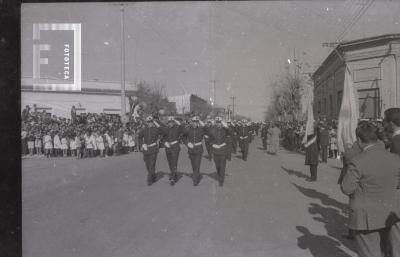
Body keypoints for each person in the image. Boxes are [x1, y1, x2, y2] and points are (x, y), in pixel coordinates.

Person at [341, 121, 400, 257]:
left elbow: (347, 188)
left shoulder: (357, 161)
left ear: (360, 140)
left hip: (366, 218)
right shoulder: (395, 159)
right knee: (389, 252)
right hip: (390, 214)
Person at [207, 117, 233, 187]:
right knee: (217, 166)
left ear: (221, 123)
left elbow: (232, 133)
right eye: (217, 122)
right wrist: (213, 144)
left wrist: (226, 126)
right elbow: (209, 139)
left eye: (220, 122)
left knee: (222, 166)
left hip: (223, 150)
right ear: (215, 122)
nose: (218, 124)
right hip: (215, 150)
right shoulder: (213, 130)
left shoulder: (225, 129)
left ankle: (221, 181)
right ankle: (219, 174)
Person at [138, 115, 162, 186]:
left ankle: (149, 179)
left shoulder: (156, 129)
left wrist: (157, 123)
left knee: (151, 164)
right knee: (147, 164)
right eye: (148, 122)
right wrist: (142, 144)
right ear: (146, 122)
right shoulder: (144, 130)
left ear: (153, 122)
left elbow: (163, 131)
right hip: (146, 149)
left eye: (151, 122)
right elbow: (139, 137)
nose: (150, 123)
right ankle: (153, 174)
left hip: (153, 149)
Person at [183, 116, 206, 186]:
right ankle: (196, 174)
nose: (195, 123)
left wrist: (201, 121)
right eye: (194, 122)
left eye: (196, 122)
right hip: (191, 149)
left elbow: (207, 129)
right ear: (192, 122)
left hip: (199, 149)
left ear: (198, 122)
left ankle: (195, 180)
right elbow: (183, 137)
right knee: (193, 165)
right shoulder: (188, 129)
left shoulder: (201, 129)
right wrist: (187, 143)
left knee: (197, 164)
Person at [161, 116, 183, 185]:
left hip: (175, 147)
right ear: (167, 123)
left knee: (174, 162)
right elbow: (162, 137)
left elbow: (183, 129)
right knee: (170, 163)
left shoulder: (177, 129)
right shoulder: (165, 129)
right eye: (169, 122)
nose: (170, 124)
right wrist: (165, 142)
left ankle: (173, 178)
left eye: (172, 122)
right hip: (168, 148)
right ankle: (174, 174)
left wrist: (176, 121)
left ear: (174, 122)